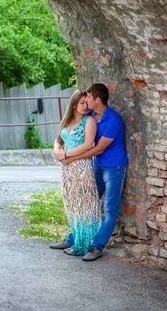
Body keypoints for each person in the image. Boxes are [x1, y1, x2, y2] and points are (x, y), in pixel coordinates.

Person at [51, 83, 128, 262]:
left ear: (97, 100)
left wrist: (69, 157)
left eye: (89, 99)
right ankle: (74, 238)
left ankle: (97, 246)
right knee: (86, 203)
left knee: (109, 209)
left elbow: (97, 149)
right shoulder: (91, 115)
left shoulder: (113, 120)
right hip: (97, 166)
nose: (86, 103)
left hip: (114, 167)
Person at [50, 90, 101, 256]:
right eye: (82, 103)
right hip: (66, 169)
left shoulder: (89, 120)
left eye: (87, 103)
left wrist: (66, 154)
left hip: (81, 168)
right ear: (73, 104)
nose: (86, 106)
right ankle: (76, 238)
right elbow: (58, 140)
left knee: (84, 205)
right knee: (72, 205)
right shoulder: (67, 120)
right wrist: (58, 152)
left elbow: (88, 145)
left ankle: (84, 244)